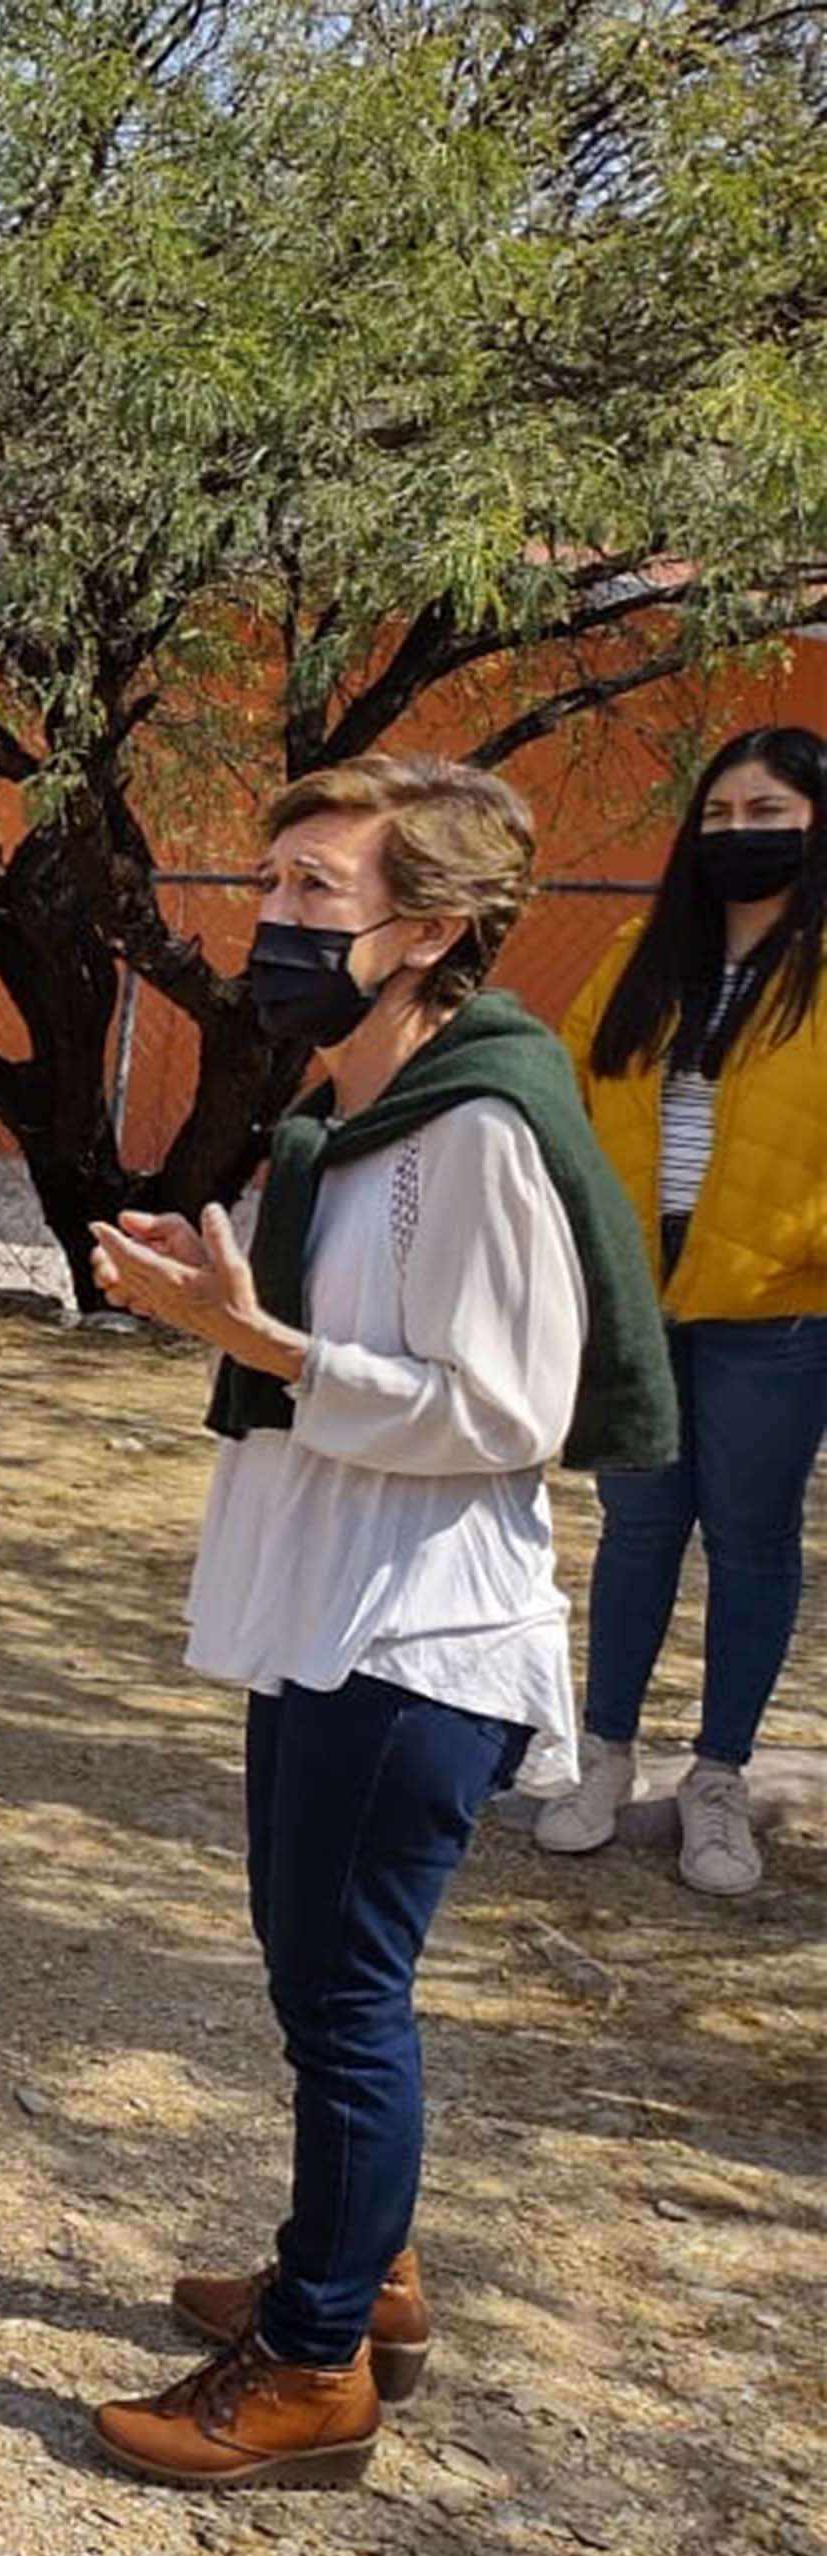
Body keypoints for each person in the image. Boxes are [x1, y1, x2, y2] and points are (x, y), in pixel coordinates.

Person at [85, 754, 671, 2490]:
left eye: (316, 897)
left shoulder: (475, 1132)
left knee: (345, 1995)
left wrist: (265, 1348)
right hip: (340, 1614)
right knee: (322, 1977)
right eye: (270, 885)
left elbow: (508, 1404)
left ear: (429, 931)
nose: (272, 922)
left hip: (414, 1637)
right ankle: (362, 2271)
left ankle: (318, 2361)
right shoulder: (377, 1112)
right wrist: (243, 1324)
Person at [539, 725, 827, 1898]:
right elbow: (566, 1088)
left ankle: (717, 1779)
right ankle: (604, 1753)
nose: (738, 835)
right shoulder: (637, 955)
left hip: (778, 1308)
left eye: (766, 813)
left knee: (751, 1543)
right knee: (639, 1526)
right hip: (642, 1295)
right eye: (717, 815)